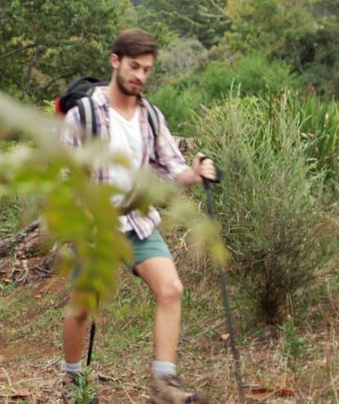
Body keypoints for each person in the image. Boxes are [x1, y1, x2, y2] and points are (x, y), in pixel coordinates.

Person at [59, 29, 217, 404]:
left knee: (171, 289)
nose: (140, 76)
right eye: (134, 67)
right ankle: (73, 384)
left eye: (147, 69)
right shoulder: (84, 114)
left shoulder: (150, 115)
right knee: (82, 308)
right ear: (115, 61)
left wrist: (195, 173)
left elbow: (171, 168)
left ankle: (164, 385)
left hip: (137, 223)